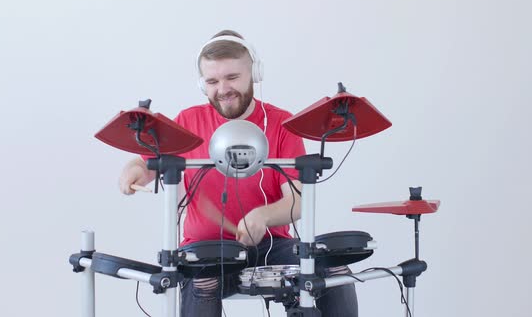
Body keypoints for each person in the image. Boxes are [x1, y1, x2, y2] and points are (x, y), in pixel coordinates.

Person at [119, 30, 358, 316]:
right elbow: (147, 163)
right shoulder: (187, 121)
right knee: (203, 278)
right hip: (205, 251)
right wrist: (132, 170)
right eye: (212, 81)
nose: (223, 89)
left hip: (272, 247)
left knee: (334, 267)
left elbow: (298, 200)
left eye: (232, 77)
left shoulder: (282, 123)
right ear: (202, 84)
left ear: (254, 74)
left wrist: (264, 216)